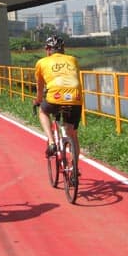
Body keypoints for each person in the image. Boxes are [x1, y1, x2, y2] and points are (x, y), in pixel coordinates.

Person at [33, 35, 83, 170]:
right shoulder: (73, 59)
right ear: (63, 49)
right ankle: (75, 168)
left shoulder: (42, 62)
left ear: (48, 49)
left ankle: (51, 142)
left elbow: (40, 87)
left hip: (54, 98)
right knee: (72, 133)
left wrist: (38, 100)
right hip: (75, 97)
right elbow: (76, 80)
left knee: (43, 111)